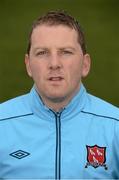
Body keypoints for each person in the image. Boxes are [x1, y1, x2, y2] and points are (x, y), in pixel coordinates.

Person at [0, 10, 119, 179]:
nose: (54, 64)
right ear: (28, 65)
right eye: (42, 53)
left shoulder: (115, 127)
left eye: (66, 52)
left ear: (85, 64)